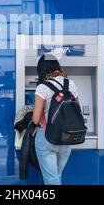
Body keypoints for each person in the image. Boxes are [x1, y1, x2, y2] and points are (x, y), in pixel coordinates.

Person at [32, 54, 79, 185]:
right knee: (57, 177)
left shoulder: (43, 87)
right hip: (67, 137)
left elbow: (36, 119)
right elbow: (77, 110)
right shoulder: (71, 84)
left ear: (41, 69)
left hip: (47, 137)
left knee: (52, 180)